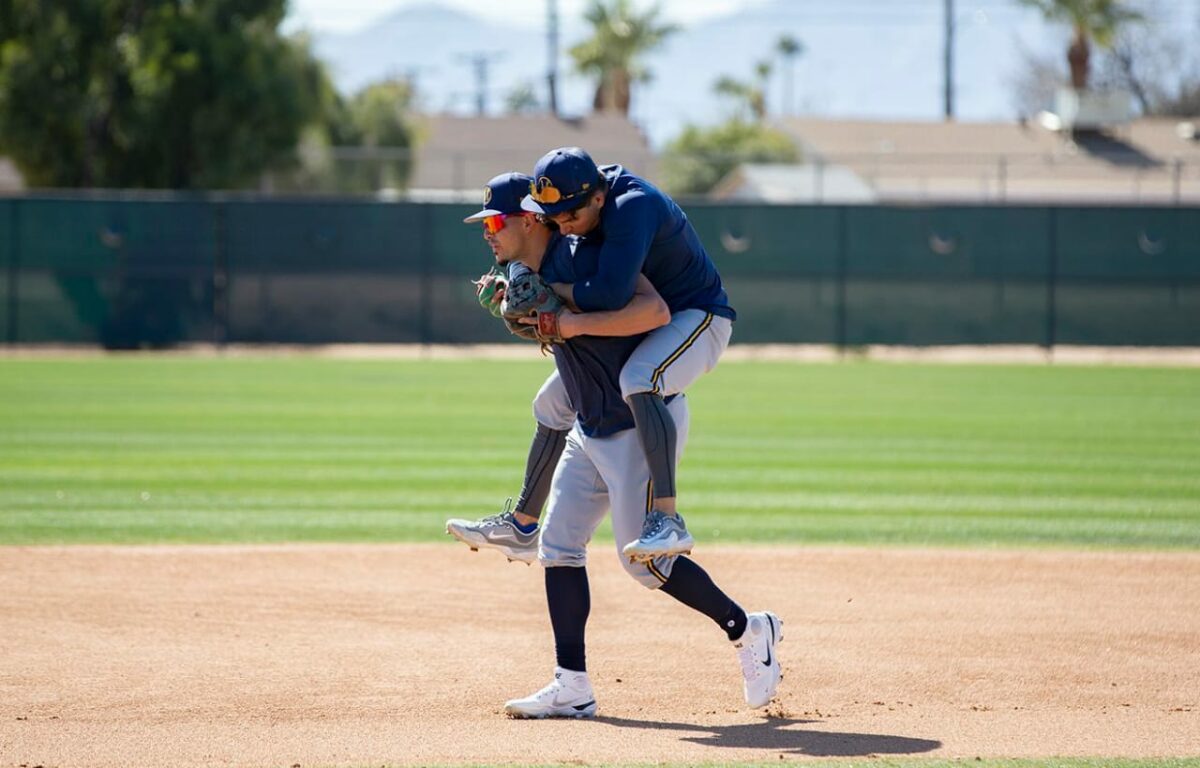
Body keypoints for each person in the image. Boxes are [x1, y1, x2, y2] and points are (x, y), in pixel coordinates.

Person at [467, 190, 782, 718]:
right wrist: (531, 312)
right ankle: (572, 685)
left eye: (496, 222)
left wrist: (567, 313)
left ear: (529, 221)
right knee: (559, 546)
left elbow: (653, 313)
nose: (487, 232)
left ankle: (747, 628)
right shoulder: (530, 269)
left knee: (648, 567)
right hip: (590, 427)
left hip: (638, 429)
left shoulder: (589, 258)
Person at [449, 148, 736, 565]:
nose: (562, 226)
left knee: (640, 378)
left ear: (598, 198)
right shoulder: (574, 206)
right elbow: (544, 258)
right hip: (650, 317)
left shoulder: (631, 206)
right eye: (552, 216)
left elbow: (610, 294)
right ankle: (523, 525)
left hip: (697, 313)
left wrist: (555, 305)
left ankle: (667, 517)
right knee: (552, 402)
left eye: (568, 217)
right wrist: (514, 289)